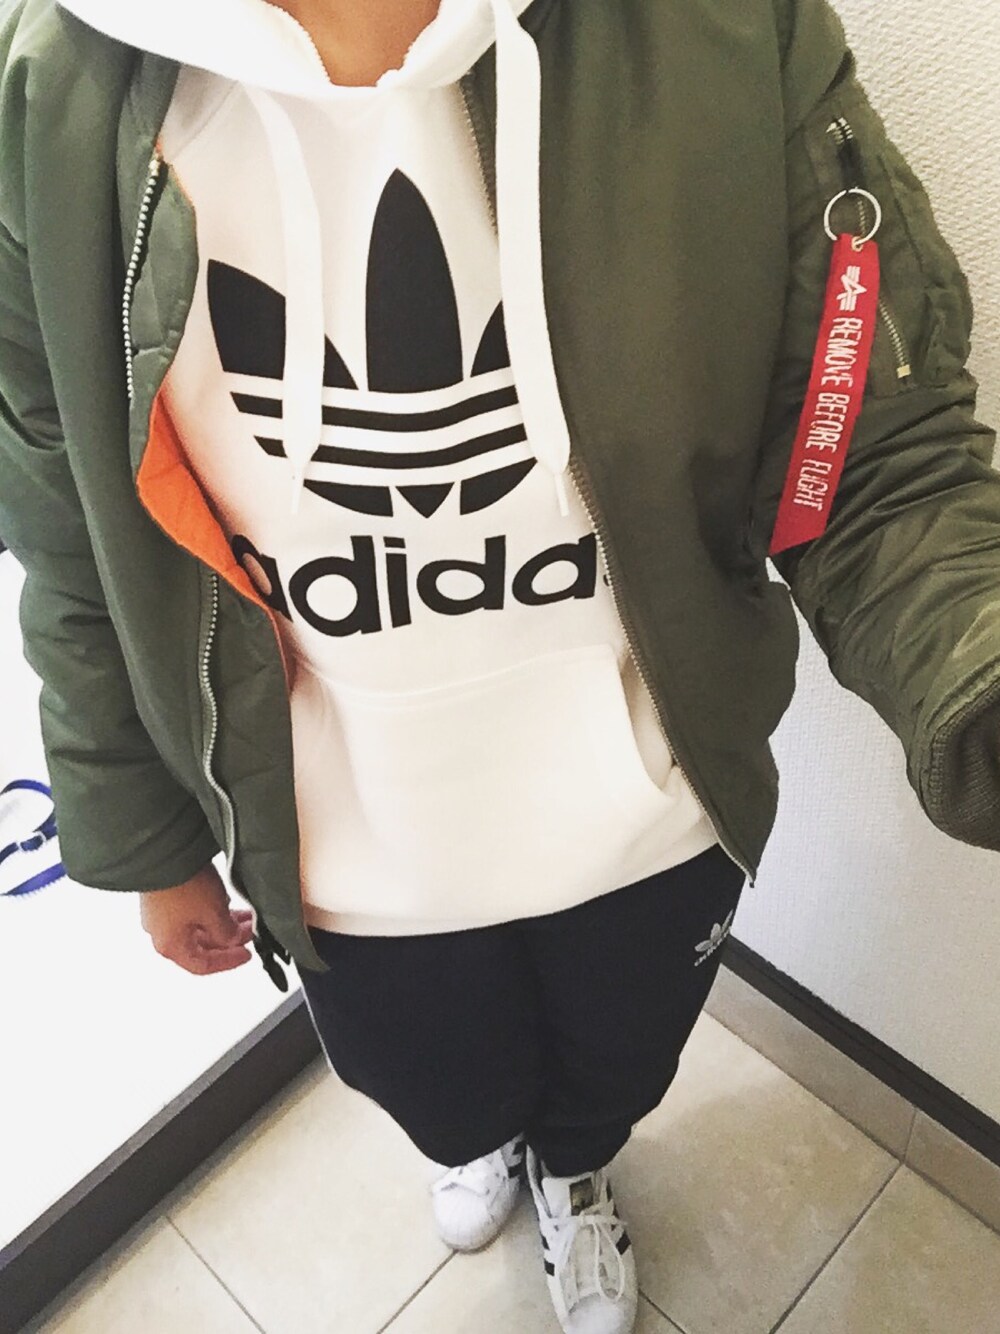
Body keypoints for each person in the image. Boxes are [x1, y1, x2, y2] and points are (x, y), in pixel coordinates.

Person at [1, 1, 997, 1330]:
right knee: (436, 1092)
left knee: (616, 1075)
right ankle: (476, 1143)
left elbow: (866, 440)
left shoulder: (718, 27)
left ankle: (576, 1174)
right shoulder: (48, 92)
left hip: (653, 818)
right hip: (345, 867)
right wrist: (140, 832)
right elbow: (69, 523)